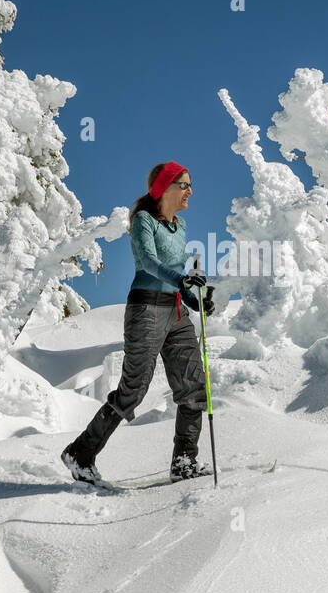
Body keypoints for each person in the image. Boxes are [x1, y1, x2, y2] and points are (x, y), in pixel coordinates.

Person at [61, 161, 216, 486]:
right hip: (146, 310)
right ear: (165, 188)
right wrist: (183, 279)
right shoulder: (145, 220)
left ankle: (184, 463)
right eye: (184, 185)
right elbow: (148, 261)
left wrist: (193, 299)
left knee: (193, 387)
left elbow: (176, 279)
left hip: (176, 313)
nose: (190, 190)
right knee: (133, 391)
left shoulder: (181, 226)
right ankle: (80, 453)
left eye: (190, 184)